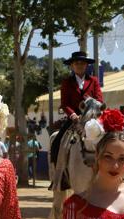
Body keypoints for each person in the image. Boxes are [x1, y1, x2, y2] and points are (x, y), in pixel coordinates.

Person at [50, 51, 103, 184]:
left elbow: (99, 99)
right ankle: (59, 176)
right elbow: (65, 103)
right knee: (57, 141)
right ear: (72, 66)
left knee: (109, 138)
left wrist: (93, 108)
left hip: (92, 118)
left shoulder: (94, 81)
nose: (79, 65)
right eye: (76, 63)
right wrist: (73, 115)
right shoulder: (67, 82)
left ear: (86, 65)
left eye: (82, 63)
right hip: (74, 119)